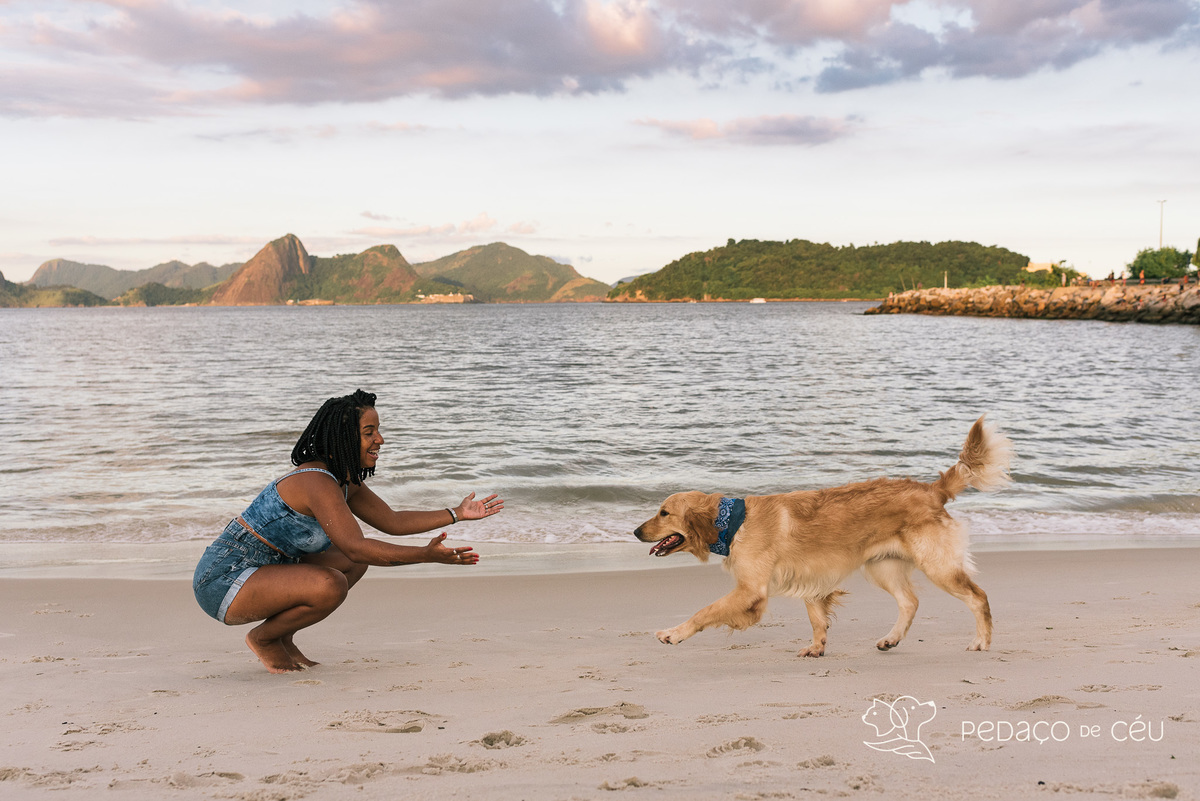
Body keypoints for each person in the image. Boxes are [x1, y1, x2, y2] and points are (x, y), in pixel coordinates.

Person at [193, 389, 503, 673]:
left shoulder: (343, 481)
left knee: (351, 563)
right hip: (225, 578)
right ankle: (264, 638)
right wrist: (424, 555)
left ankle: (282, 636)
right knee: (332, 583)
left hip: (271, 567)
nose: (380, 439)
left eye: (378, 431)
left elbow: (393, 521)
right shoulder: (316, 482)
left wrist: (457, 513)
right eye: (369, 432)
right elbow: (357, 544)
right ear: (343, 437)